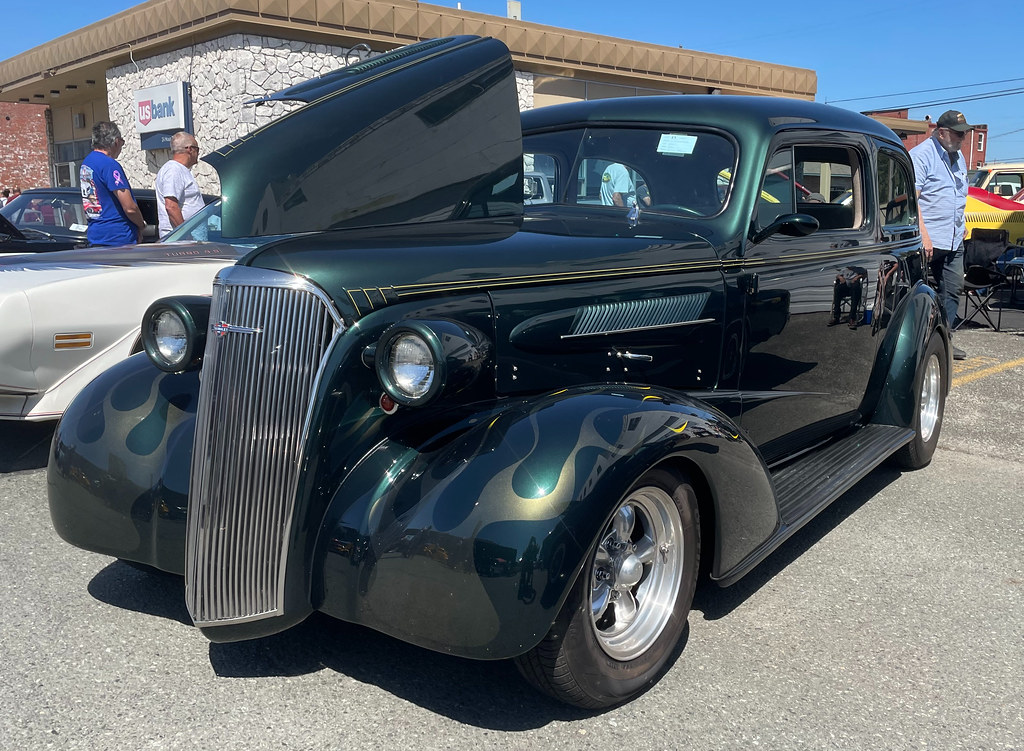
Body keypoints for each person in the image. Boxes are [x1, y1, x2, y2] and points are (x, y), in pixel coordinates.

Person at [910, 110, 971, 360]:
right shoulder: (921, 156)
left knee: (952, 290)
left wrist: (962, 223)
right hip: (929, 240)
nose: (963, 138)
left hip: (954, 239)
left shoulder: (959, 158)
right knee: (918, 294)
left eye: (965, 133)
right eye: (958, 133)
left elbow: (959, 195)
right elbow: (913, 200)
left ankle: (944, 340)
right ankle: (917, 346)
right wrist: (923, 234)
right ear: (942, 132)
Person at [79, 121, 146, 246]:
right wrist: (141, 225)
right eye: (122, 142)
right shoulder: (110, 165)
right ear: (116, 141)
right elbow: (130, 207)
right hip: (118, 238)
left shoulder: (87, 163)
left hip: (96, 234)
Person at [155, 131, 205, 239]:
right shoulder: (174, 170)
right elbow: (171, 206)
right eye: (197, 149)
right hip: (181, 242)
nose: (198, 153)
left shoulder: (179, 170)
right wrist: (185, 234)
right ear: (190, 149)